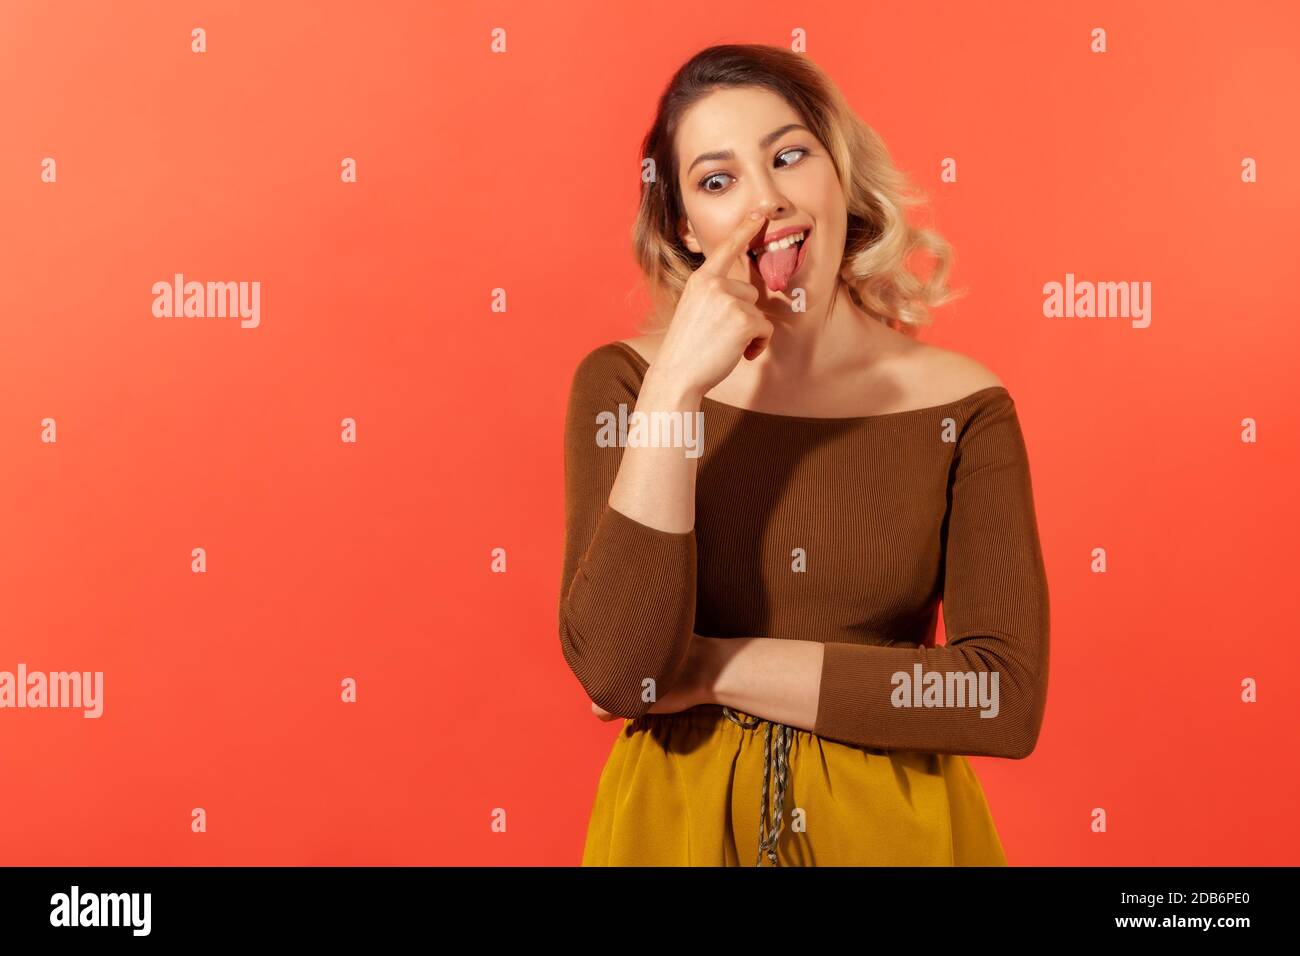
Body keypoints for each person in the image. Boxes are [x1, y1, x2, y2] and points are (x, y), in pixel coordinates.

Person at [559, 43, 1050, 866]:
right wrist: (676, 386)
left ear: (839, 177)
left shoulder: (963, 407)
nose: (769, 202)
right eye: (719, 181)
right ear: (685, 225)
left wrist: (711, 668)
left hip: (897, 840)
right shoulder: (626, 385)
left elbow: (999, 698)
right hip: (669, 835)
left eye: (789, 156)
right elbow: (617, 671)